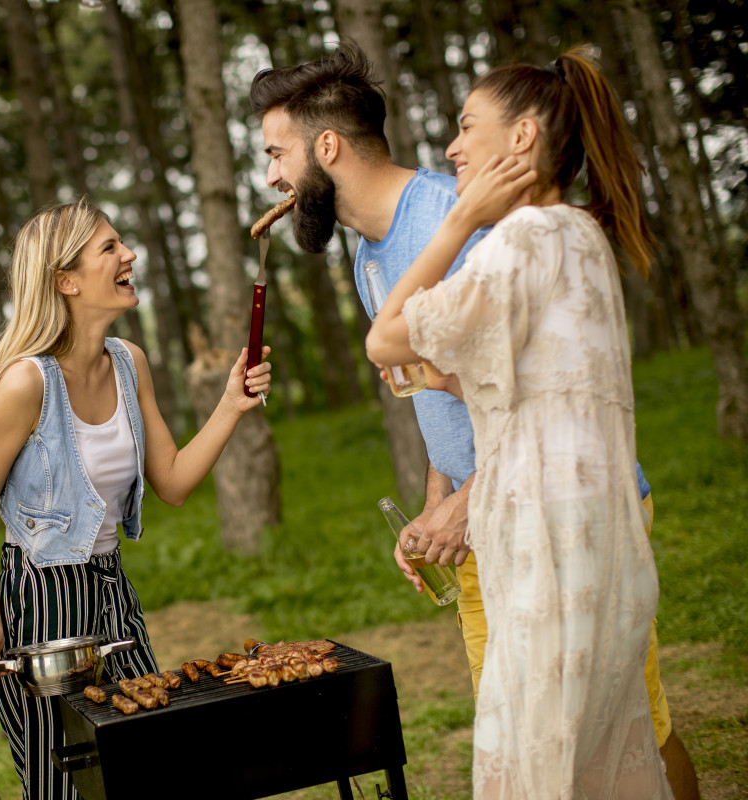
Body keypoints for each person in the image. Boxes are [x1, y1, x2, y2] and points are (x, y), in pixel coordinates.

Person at [250, 44, 698, 798]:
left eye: (275, 152)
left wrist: (470, 498)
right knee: (529, 743)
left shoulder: (464, 222)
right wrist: (438, 500)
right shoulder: (370, 256)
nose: (271, 178)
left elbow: (548, 387)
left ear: (326, 147)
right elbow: (442, 392)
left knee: (630, 731)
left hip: (562, 512)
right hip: (486, 522)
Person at [360, 46, 674, 797]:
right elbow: (543, 395)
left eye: (468, 127)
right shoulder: (579, 237)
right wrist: (447, 379)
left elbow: (384, 336)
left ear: (524, 137)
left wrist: (458, 220)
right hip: (595, 534)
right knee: (606, 751)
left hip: (546, 541)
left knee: (538, 763)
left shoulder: (521, 240)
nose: (452, 146)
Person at [0, 197, 271, 800]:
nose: (128, 254)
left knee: (148, 761)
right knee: (66, 785)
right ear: (66, 281)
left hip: (111, 591)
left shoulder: (130, 363)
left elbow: (174, 483)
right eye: (109, 247)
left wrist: (231, 404)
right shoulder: (26, 383)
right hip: (40, 604)